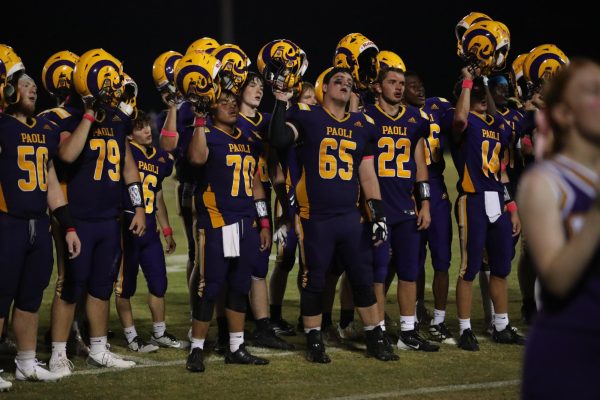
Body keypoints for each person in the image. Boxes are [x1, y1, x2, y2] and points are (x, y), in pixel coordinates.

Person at [269, 67, 398, 363]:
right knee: (314, 279)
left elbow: (367, 175)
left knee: (362, 278)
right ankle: (314, 339)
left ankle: (374, 336)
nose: (344, 85)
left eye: (349, 83)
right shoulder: (306, 115)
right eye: (337, 81)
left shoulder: (362, 124)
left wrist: (377, 213)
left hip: (350, 217)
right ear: (323, 88)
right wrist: (279, 100)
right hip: (316, 217)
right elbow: (278, 139)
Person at [49, 49, 145, 375]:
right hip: (77, 216)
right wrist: (89, 115)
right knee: (70, 285)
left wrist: (139, 206)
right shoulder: (65, 117)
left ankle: (99, 348)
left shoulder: (118, 119)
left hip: (110, 215)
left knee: (102, 285)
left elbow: (129, 167)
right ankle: (58, 352)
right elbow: (66, 154)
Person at [519, 59, 600, 400]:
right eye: (594, 92)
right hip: (568, 351)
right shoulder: (544, 182)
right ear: (565, 114)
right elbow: (556, 278)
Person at [0, 71, 81, 383]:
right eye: (25, 84)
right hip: (8, 223)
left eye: (34, 85)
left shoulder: (46, 129)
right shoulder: (3, 127)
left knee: (30, 297)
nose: (32, 89)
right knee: (1, 296)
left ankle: (26, 362)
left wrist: (69, 227)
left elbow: (50, 183)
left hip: (39, 223)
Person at [186, 90, 271, 373]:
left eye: (234, 103)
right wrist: (199, 120)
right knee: (210, 287)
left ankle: (236, 346)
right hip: (219, 222)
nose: (232, 106)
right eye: (224, 103)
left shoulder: (247, 139)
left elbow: (257, 184)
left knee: (238, 285)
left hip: (246, 223)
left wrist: (264, 222)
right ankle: (196, 348)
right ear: (211, 110)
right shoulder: (207, 133)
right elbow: (196, 159)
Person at [449, 69, 523, 351]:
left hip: (497, 199)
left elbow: (502, 173)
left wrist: (512, 206)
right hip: (473, 198)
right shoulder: (464, 123)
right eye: (476, 94)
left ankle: (501, 324)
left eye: (484, 93)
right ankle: (465, 327)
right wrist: (468, 82)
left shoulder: (497, 124)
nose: (482, 97)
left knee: (501, 267)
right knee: (469, 268)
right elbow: (458, 118)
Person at [365, 67, 438, 352]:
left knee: (409, 270)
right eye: (392, 82)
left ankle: (408, 331)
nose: (398, 88)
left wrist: (426, 203)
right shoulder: (367, 117)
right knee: (379, 273)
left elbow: (420, 164)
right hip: (380, 207)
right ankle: (379, 329)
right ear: (378, 86)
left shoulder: (415, 119)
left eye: (401, 83)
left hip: (407, 206)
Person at [114, 111, 181, 353]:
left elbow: (158, 195)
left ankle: (159, 333)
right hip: (128, 227)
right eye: (140, 128)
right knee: (125, 286)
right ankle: (131, 337)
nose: (146, 131)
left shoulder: (160, 158)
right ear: (129, 134)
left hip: (150, 229)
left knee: (159, 283)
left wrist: (167, 230)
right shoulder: (125, 152)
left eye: (147, 126)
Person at [402, 71, 455, 343]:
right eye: (412, 87)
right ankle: (415, 309)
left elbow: (459, 121)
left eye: (420, 86)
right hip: (405, 187)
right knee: (412, 257)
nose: (418, 90)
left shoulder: (437, 106)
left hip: (435, 185)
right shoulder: (397, 114)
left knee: (442, 258)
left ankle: (439, 318)